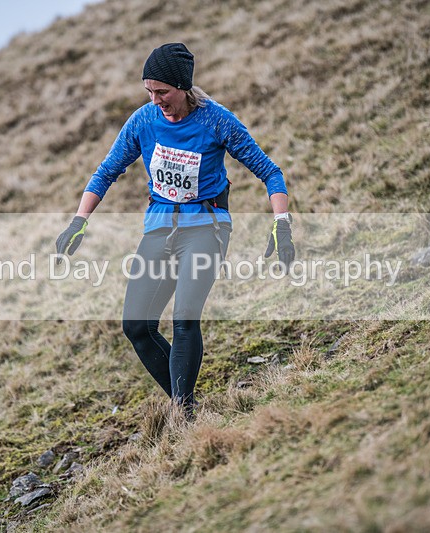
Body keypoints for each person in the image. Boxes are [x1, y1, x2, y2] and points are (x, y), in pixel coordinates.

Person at [56, 43, 294, 419]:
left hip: (207, 228)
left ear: (183, 86)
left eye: (163, 92)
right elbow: (106, 172)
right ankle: (190, 406)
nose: (156, 100)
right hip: (159, 229)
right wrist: (78, 220)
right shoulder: (143, 120)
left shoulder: (216, 121)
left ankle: (183, 415)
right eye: (149, 92)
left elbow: (271, 172)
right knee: (136, 325)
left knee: (184, 317)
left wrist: (282, 225)